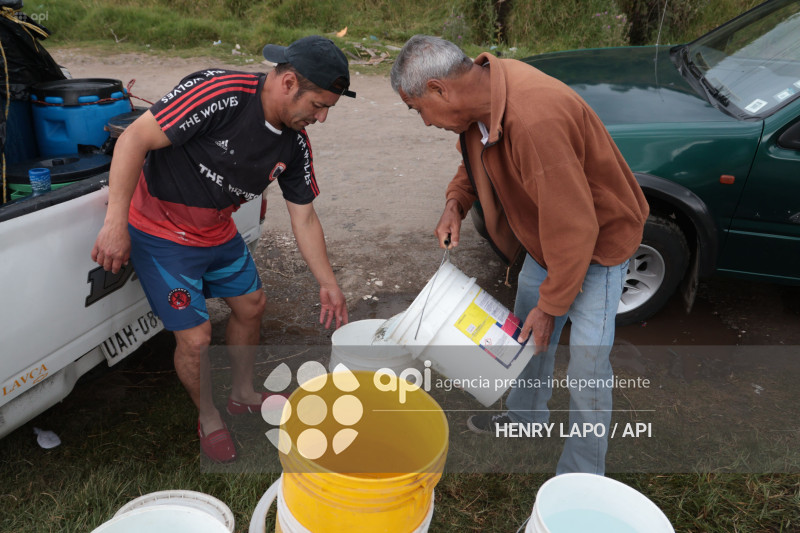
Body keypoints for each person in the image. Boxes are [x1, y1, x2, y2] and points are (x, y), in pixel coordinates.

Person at [390, 35, 649, 475]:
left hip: (598, 246)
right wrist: (455, 203)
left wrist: (551, 306)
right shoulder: (479, 103)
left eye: (417, 109)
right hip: (548, 242)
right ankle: (525, 418)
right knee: (526, 341)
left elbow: (576, 227)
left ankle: (582, 477)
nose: (424, 122)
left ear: (438, 89)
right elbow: (473, 165)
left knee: (586, 367)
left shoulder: (534, 118)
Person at [91, 35, 353, 463]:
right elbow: (133, 139)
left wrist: (328, 283)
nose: (321, 118)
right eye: (319, 105)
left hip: (216, 231)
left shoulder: (294, 143)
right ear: (288, 83)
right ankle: (209, 416)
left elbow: (303, 216)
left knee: (252, 305)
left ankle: (243, 393)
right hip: (162, 233)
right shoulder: (218, 93)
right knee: (195, 339)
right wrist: (115, 223)